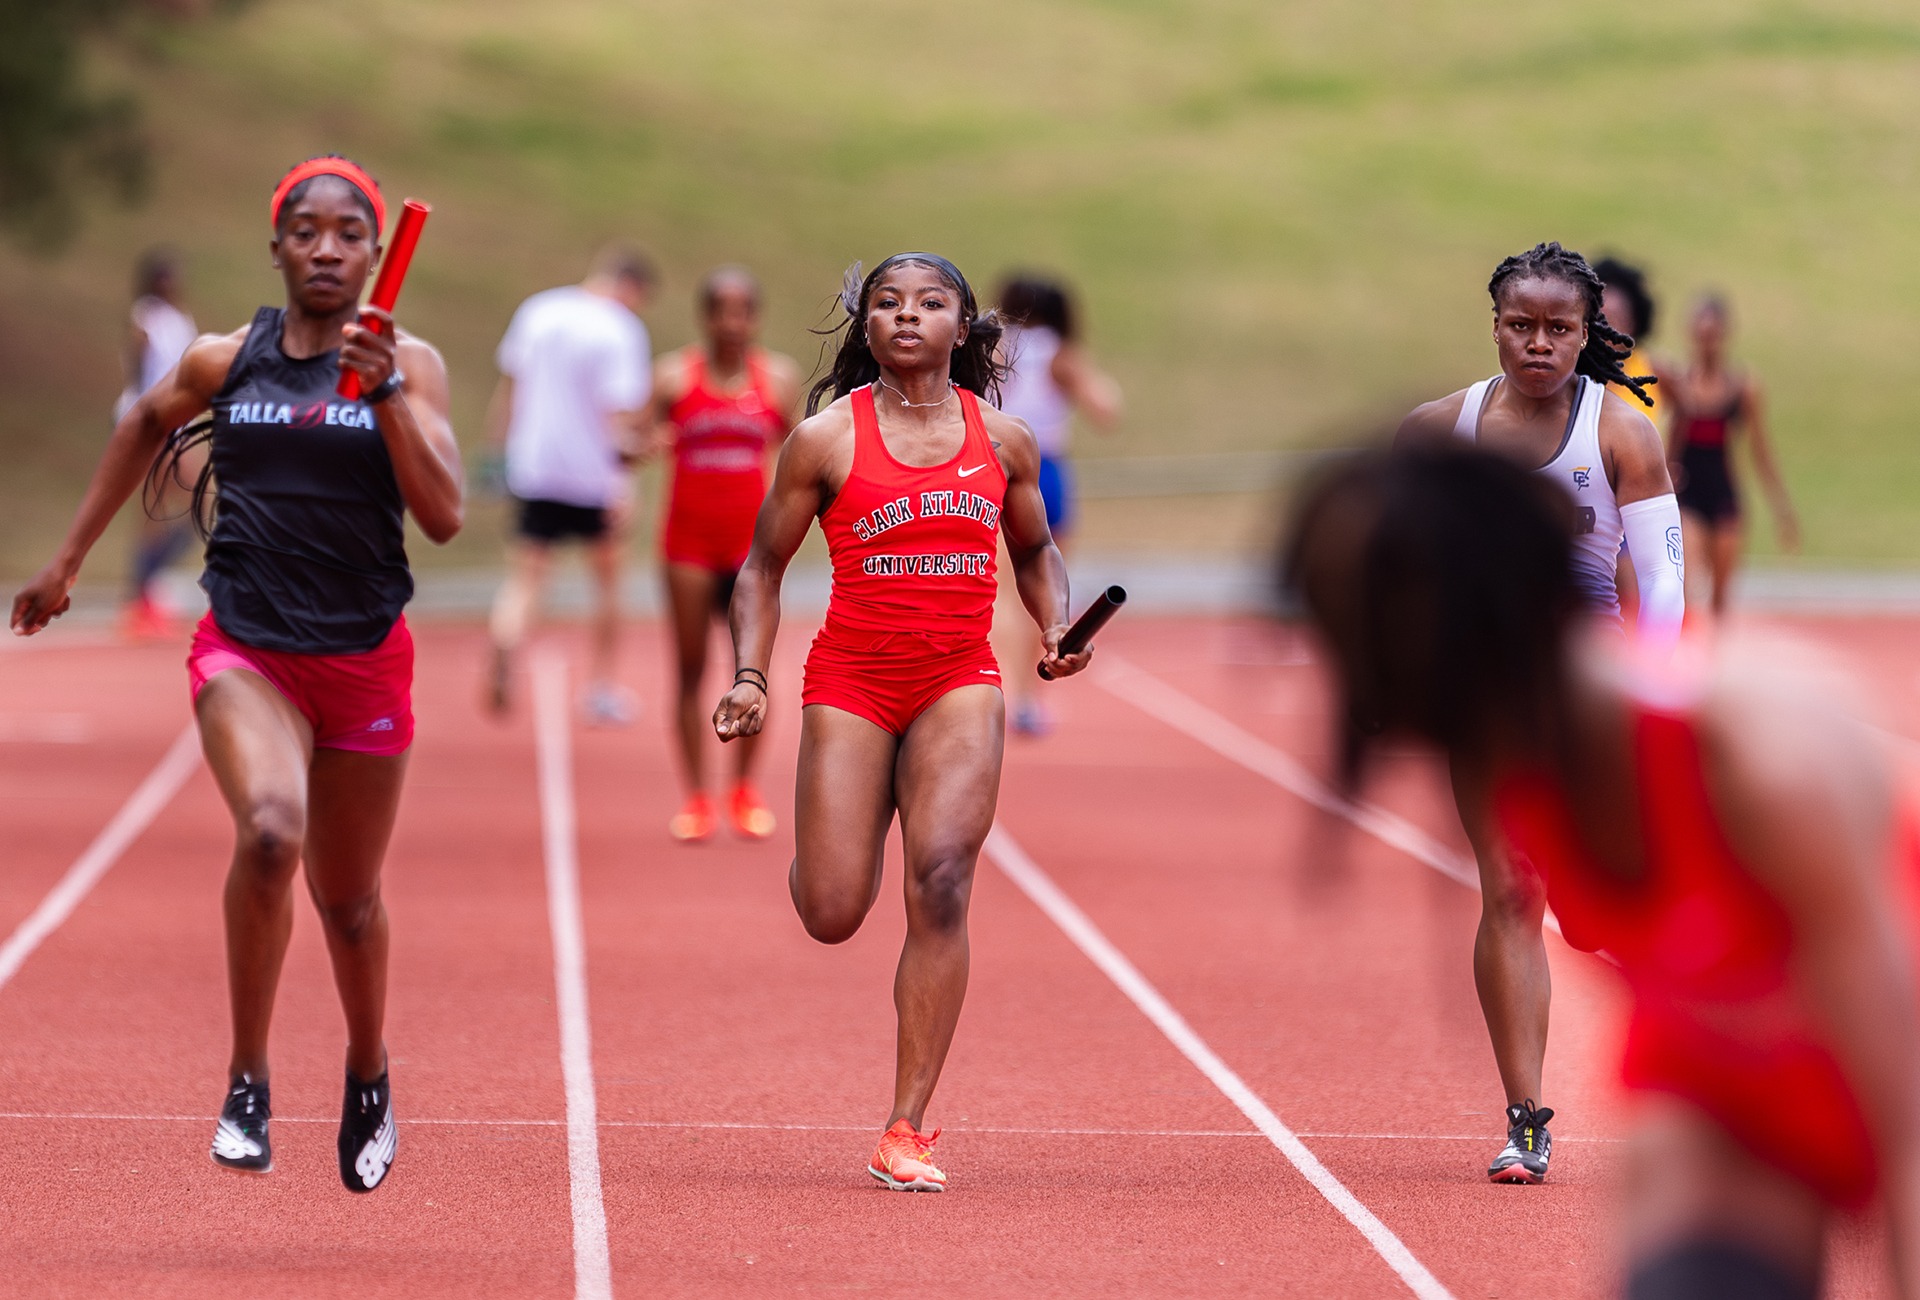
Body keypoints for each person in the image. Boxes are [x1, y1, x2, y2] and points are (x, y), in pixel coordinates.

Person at [1287, 446, 1920, 1300]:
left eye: (1359, 631)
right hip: (1729, 1081)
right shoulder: (1531, 778)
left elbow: (1903, 1109)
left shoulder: (1760, 761)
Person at [11, 156, 463, 1192]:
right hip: (247, 646)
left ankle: (367, 1070)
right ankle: (248, 1079)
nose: (327, 249)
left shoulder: (413, 363)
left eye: (350, 233)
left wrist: (386, 388)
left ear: (376, 251)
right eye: (306, 231)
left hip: (362, 660)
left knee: (349, 902)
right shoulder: (230, 358)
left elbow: (442, 516)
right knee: (269, 830)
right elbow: (141, 423)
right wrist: (71, 558)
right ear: (277, 247)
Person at [711, 253, 1090, 1191]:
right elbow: (760, 569)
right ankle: (829, 836)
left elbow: (1037, 552)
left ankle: (907, 1125)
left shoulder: (1004, 439)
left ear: (964, 328)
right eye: (887, 304)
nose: (907, 316)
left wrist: (1055, 627)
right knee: (834, 911)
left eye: (930, 303)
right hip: (853, 680)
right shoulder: (824, 441)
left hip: (960, 679)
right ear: (865, 328)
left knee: (945, 878)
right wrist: (752, 674)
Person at [1395, 241, 1685, 1183]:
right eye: (1520, 325)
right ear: (1495, 326)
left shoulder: (1624, 432)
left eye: (1559, 329)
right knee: (1512, 887)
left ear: (1587, 333)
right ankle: (1527, 1115)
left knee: (1596, 905)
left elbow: (1666, 585)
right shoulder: (1439, 430)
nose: (1538, 343)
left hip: (1588, 695)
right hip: (1485, 694)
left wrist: (1658, 694)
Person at [650, 267, 800, 841]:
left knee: (752, 669)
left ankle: (742, 791)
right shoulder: (673, 378)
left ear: (755, 318)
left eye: (743, 311)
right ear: (706, 317)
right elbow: (633, 437)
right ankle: (695, 798)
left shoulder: (775, 379)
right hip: (687, 543)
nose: (733, 322)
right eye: (722, 311)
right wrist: (644, 442)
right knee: (688, 672)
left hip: (751, 548)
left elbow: (801, 448)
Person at [483, 246, 655, 723]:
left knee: (527, 579)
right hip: (594, 474)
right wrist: (626, 483)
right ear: (631, 287)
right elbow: (619, 413)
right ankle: (600, 687)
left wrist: (498, 452)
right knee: (607, 584)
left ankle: (505, 638)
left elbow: (510, 389)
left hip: (535, 466)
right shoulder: (620, 328)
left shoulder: (538, 310)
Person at [991, 274, 1121, 736]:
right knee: (1045, 585)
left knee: (1002, 593)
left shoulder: (995, 344)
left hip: (996, 463)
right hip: (1046, 468)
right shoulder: (1060, 354)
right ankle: (1029, 698)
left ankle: (1001, 689)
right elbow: (1107, 408)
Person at [1669, 295, 1799, 617]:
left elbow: (1760, 450)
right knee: (1688, 583)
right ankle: (1689, 657)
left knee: (1720, 598)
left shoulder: (1743, 388)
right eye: (1701, 335)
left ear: (1724, 335)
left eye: (1712, 335)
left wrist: (1781, 507)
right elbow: (1669, 447)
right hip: (1688, 495)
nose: (1707, 343)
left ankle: (1712, 658)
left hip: (1725, 496)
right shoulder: (1679, 384)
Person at [116, 248, 201, 641]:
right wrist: (146, 417)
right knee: (156, 509)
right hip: (153, 417)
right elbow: (140, 368)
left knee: (191, 502)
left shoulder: (179, 318)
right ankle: (141, 597)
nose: (170, 283)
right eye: (163, 277)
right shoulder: (146, 315)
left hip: (177, 418)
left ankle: (147, 586)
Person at [1593, 256, 1673, 629]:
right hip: (1596, 494)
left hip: (1637, 493)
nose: (1611, 326)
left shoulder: (1654, 368)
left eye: (1619, 316)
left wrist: (1673, 459)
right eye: (1602, 316)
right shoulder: (1583, 370)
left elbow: (1690, 408)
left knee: (1638, 589)